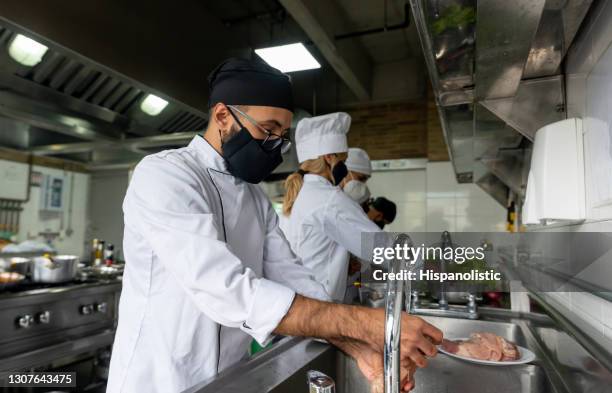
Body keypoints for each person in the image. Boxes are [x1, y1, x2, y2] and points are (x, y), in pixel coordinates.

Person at [107, 58, 442, 393]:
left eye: (282, 136)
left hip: (230, 379)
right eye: (267, 130)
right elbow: (227, 289)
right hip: (160, 381)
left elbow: (293, 278)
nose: (274, 146)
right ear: (223, 116)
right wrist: (369, 324)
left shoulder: (253, 197)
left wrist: (359, 349)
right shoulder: (166, 175)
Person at [282, 113, 383, 302]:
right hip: (319, 305)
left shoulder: (301, 194)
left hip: (299, 301)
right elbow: (378, 245)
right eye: (343, 161)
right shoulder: (329, 198)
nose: (343, 168)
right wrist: (423, 265)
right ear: (330, 157)